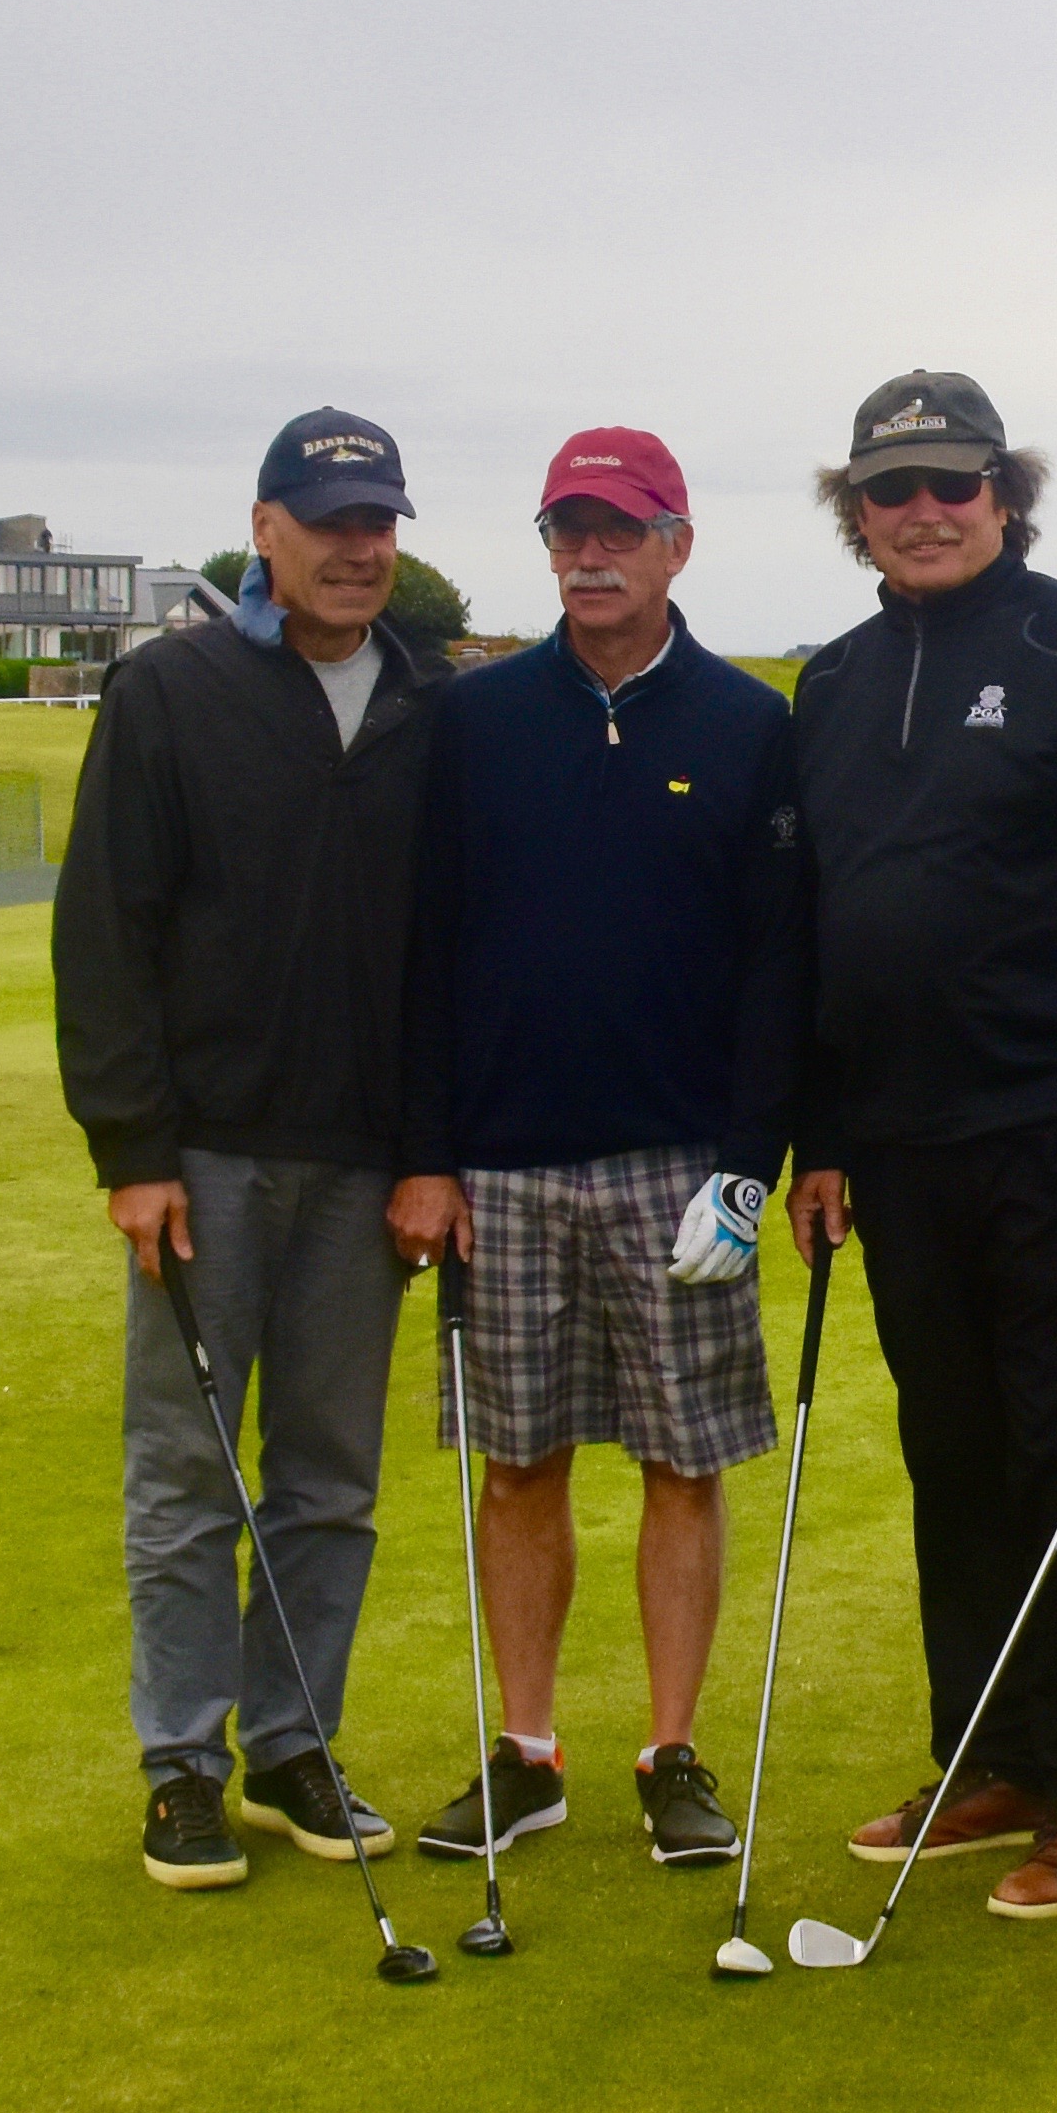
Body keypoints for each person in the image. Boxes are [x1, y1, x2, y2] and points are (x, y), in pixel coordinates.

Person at [781, 369, 1057, 1921]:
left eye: (954, 485)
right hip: (897, 1146)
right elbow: (817, 924)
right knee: (952, 1458)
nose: (924, 511)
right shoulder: (828, 682)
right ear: (856, 514)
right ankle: (991, 1753)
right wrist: (821, 1130)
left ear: (1003, 496)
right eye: (892, 491)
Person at [401, 427, 811, 1869]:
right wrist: (426, 1154)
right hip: (502, 1161)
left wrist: (749, 1161)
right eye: (567, 530)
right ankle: (526, 1750)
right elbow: (424, 948)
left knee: (680, 1464)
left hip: (676, 1162)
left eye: (618, 530)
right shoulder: (477, 717)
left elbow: (779, 969)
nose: (589, 554)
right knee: (516, 1462)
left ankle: (672, 1748)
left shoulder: (749, 726)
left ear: (676, 545)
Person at [53, 405, 447, 1891]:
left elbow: (440, 959)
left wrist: (430, 1150)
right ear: (265, 527)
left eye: (379, 522)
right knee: (187, 1472)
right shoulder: (169, 690)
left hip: (364, 1164)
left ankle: (294, 1741)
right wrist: (131, 1149)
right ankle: (180, 1762)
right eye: (330, 519)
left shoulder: (423, 704)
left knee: (330, 1476)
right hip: (205, 1153)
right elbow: (106, 931)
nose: (358, 548)